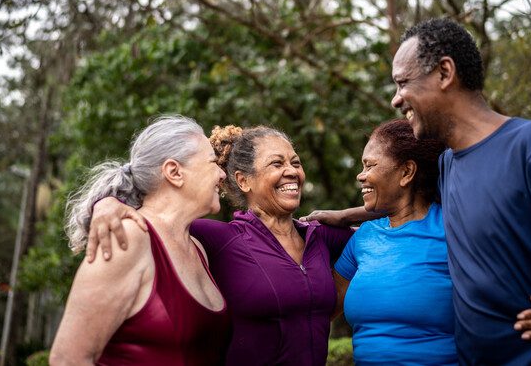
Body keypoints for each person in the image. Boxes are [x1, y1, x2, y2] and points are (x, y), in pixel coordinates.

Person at [390, 18, 531, 364]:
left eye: (403, 83)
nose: (396, 99)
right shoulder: (448, 165)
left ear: (445, 73)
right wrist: (341, 217)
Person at [88, 125, 354, 366]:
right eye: (276, 163)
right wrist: (107, 203)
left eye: (295, 162)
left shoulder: (322, 236)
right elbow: (157, 214)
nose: (292, 171)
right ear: (243, 180)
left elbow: (388, 227)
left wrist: (349, 215)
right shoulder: (220, 239)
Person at [49, 116, 231, 365]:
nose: (222, 174)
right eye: (213, 162)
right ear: (174, 172)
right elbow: (67, 360)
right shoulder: (127, 240)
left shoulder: (198, 248)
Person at [332, 119, 456, 365]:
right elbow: (320, 310)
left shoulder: (454, 230)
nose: (361, 175)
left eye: (369, 166)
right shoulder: (364, 237)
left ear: (406, 172)